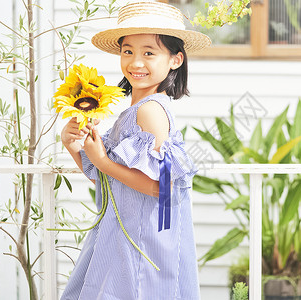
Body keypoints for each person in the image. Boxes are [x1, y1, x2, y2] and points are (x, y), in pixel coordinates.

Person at [59, 1, 211, 299]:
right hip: (126, 232)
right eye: (128, 51)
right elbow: (114, 181)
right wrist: (75, 147)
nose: (135, 62)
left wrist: (103, 160)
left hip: (141, 240)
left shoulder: (151, 110)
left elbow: (162, 189)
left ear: (175, 60)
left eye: (149, 53)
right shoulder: (139, 109)